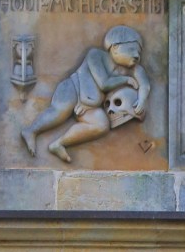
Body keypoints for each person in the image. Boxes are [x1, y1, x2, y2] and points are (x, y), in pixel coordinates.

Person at [21, 25, 150, 162]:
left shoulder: (134, 69)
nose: (137, 55)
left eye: (139, 52)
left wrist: (141, 100)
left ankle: (59, 144)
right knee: (59, 113)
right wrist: (127, 80)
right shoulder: (95, 55)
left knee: (101, 126)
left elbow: (145, 85)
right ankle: (31, 131)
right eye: (132, 50)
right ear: (115, 47)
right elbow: (104, 83)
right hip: (73, 89)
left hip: (89, 106)